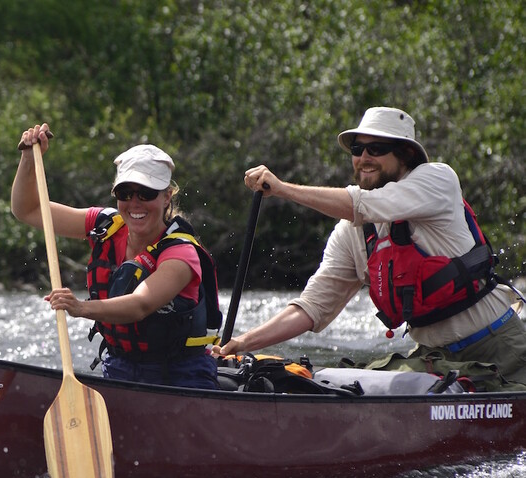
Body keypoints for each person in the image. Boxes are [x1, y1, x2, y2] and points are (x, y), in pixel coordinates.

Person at [216, 106, 526, 391]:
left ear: (404, 154)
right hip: (434, 358)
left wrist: (283, 189)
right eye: (357, 149)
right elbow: (312, 308)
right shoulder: (352, 234)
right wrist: (242, 342)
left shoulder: (437, 180)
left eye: (376, 149)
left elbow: (363, 204)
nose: (364, 157)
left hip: (499, 347)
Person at [11, 123, 221, 389]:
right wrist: (29, 159)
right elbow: (26, 209)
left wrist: (81, 308)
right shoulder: (104, 225)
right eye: (125, 193)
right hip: (120, 366)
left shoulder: (181, 252)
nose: (134, 203)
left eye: (146, 194)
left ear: (167, 197)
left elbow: (140, 305)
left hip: (180, 376)